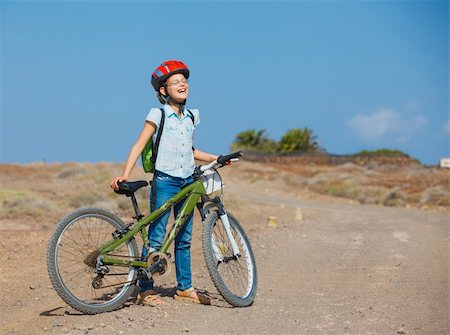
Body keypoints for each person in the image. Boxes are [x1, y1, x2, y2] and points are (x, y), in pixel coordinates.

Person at [111, 60, 218, 306]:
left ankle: (185, 288)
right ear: (163, 90)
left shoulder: (191, 116)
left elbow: (188, 150)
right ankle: (146, 289)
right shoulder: (157, 114)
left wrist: (215, 157)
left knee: (184, 237)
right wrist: (124, 174)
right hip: (165, 181)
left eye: (185, 81)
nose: (182, 85)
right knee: (157, 235)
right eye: (175, 82)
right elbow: (139, 145)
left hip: (188, 182)